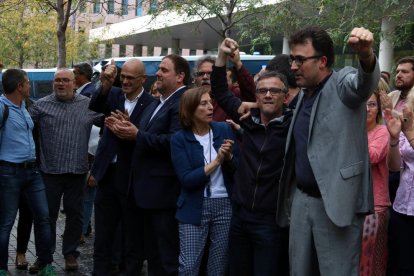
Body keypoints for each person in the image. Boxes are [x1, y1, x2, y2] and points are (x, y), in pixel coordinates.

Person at [276, 26, 379, 275]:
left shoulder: (343, 83)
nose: (293, 66)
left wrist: (366, 57)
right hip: (301, 201)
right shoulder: (303, 95)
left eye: (300, 60)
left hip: (336, 203)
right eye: (292, 59)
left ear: (322, 61)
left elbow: (363, 84)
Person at [211, 38, 293, 275]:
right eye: (262, 91)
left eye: (274, 91)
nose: (268, 95)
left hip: (270, 222)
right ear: (255, 97)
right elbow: (220, 92)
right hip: (240, 216)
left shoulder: (293, 126)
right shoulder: (248, 122)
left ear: (285, 97)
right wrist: (222, 56)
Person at [109, 54, 190, 275]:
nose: (158, 73)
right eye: (159, 69)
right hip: (144, 194)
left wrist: (136, 135)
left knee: (165, 259)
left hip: (162, 196)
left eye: (164, 70)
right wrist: (127, 126)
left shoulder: (182, 101)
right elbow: (144, 134)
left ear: (180, 77)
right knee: (149, 254)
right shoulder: (159, 103)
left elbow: (176, 141)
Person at [28, 69, 102, 271]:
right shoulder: (40, 106)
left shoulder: (87, 105)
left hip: (77, 172)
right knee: (46, 217)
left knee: (75, 215)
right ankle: (44, 257)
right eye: (57, 81)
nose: (61, 84)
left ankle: (70, 253)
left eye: (65, 81)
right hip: (49, 172)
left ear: (75, 83)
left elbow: (108, 124)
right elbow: (23, 128)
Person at [89, 58, 154, 275]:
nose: (125, 81)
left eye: (130, 78)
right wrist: (106, 82)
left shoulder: (152, 104)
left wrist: (131, 130)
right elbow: (95, 105)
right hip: (107, 174)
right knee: (103, 234)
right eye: (122, 76)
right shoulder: (115, 94)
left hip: (132, 178)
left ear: (142, 79)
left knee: (132, 236)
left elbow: (148, 138)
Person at [171, 87, 237, 275]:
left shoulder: (223, 129)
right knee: (189, 266)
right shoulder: (179, 139)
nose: (210, 107)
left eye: (210, 102)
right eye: (204, 104)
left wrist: (230, 157)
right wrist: (217, 161)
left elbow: (238, 169)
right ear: (190, 109)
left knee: (218, 266)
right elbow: (187, 180)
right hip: (193, 205)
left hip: (225, 205)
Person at [0, 69, 56, 276]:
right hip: (9, 172)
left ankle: (45, 264)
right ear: (19, 87)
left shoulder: (24, 106)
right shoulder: (1, 107)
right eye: (27, 83)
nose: (30, 86)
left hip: (32, 172)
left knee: (43, 217)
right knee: (6, 222)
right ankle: (1, 268)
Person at [359, 83, 391, 276]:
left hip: (375, 206)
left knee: (371, 262)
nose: (366, 109)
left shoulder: (382, 132)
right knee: (354, 259)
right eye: (362, 104)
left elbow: (372, 156)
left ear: (378, 108)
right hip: (352, 205)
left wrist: (353, 134)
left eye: (371, 104)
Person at [385, 87, 414, 275]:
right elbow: (395, 167)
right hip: (403, 205)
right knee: (401, 265)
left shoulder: (410, 127)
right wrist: (394, 139)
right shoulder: (408, 125)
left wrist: (410, 132)